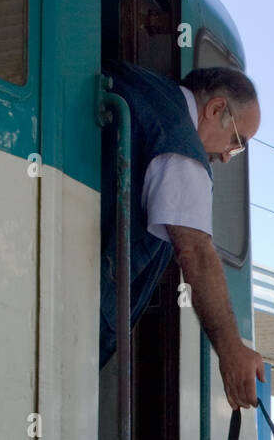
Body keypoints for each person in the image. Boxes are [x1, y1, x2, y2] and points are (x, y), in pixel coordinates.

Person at [101, 64, 265, 409]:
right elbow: (196, 253)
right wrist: (232, 349)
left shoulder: (137, 84)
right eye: (236, 142)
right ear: (216, 108)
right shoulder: (181, 147)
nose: (225, 155)